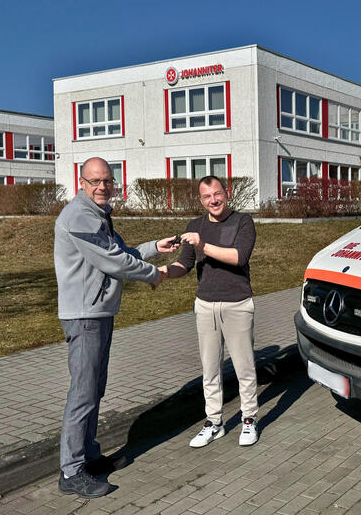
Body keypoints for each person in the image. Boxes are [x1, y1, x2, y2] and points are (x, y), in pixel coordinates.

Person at [54, 157, 179, 498]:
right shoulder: (79, 215)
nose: (102, 186)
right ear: (81, 183)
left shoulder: (98, 214)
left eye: (107, 180)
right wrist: (153, 275)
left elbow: (120, 251)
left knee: (94, 390)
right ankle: (71, 471)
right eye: (95, 181)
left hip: (98, 312)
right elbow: (112, 261)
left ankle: (88, 457)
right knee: (83, 393)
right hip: (85, 316)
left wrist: (154, 248)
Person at [160, 175, 259, 448]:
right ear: (201, 200)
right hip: (205, 305)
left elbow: (239, 256)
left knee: (244, 368)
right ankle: (214, 423)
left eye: (217, 194)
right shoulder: (195, 226)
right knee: (210, 369)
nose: (213, 200)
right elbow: (184, 264)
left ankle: (249, 419)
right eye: (207, 197)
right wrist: (163, 272)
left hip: (237, 304)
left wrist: (202, 244)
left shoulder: (243, 221)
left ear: (226, 193)